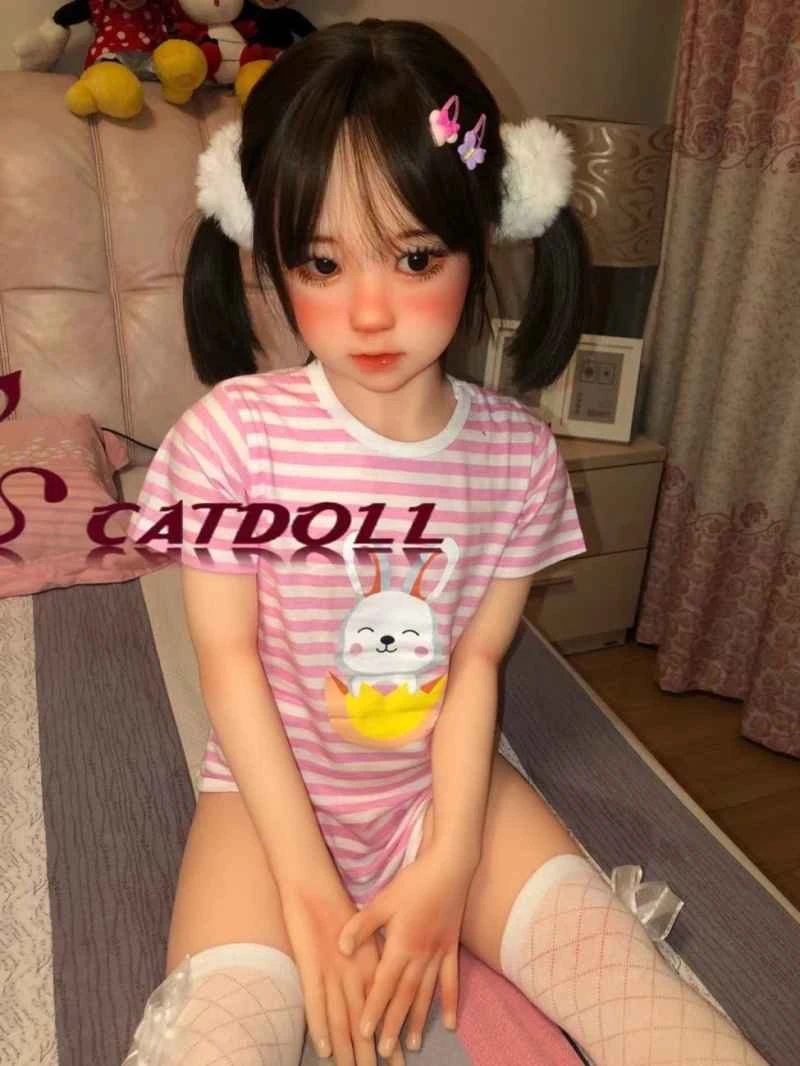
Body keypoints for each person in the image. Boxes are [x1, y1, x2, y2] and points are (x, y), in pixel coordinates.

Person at [122, 18, 768, 1066]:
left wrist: (450, 861)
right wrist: (308, 887)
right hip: (264, 802)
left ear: (481, 235)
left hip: (445, 792)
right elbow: (228, 664)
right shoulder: (227, 439)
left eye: (414, 256)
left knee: (645, 1002)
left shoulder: (519, 456)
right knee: (211, 1038)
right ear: (270, 257)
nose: (370, 310)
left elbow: (474, 664)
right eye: (321, 263)